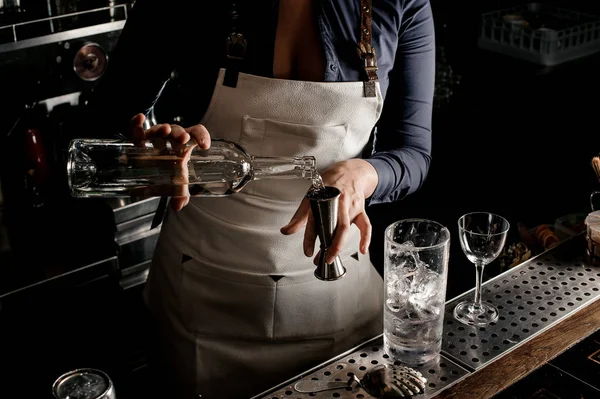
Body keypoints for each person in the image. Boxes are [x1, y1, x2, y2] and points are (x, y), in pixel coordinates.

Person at [87, 0, 435, 397]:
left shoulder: (402, 4)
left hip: (336, 291)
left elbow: (413, 154)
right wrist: (153, 150)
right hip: (203, 291)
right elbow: (108, 120)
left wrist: (366, 174)